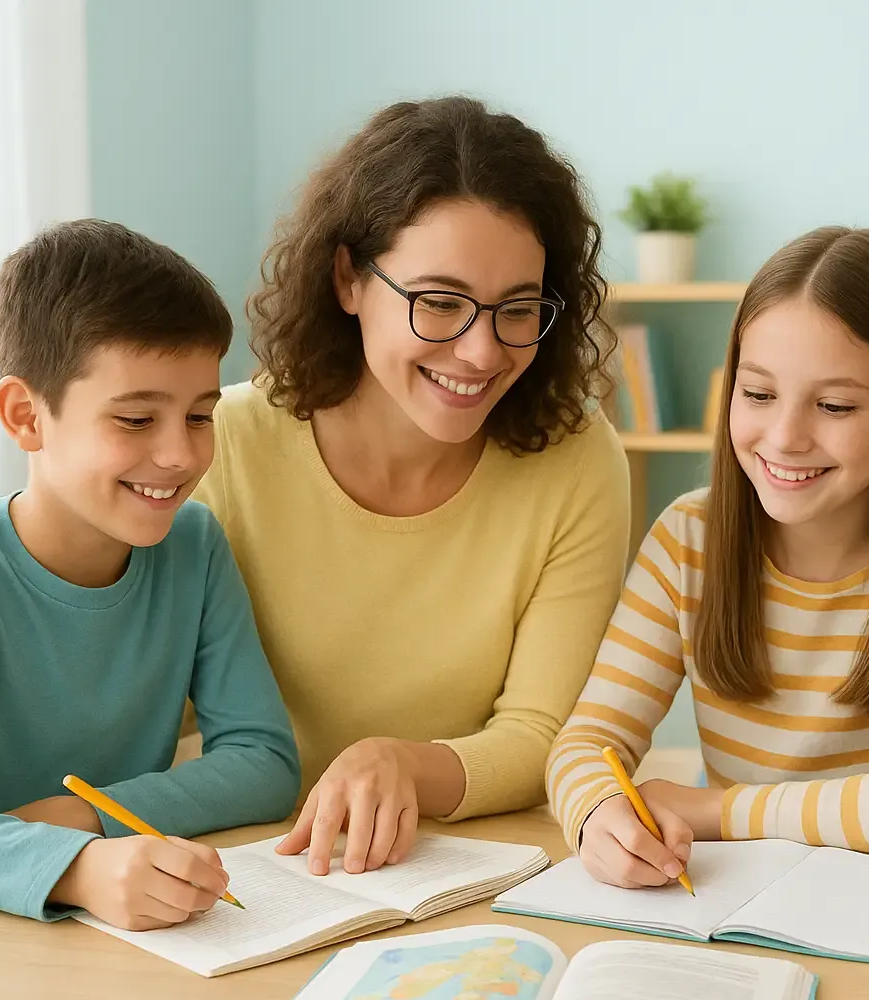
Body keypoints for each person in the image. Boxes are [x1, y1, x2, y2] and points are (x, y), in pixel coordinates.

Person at [192, 96, 630, 877]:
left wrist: (402, 765)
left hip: (469, 868)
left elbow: (542, 734)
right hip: (255, 862)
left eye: (518, 309)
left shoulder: (578, 460)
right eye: (439, 302)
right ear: (348, 279)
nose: (481, 350)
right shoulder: (223, 445)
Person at [545, 226, 869, 888]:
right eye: (758, 394)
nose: (786, 437)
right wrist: (598, 813)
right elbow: (585, 744)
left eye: (834, 405)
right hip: (739, 905)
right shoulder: (688, 538)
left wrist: (715, 810)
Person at [0, 220, 300, 928]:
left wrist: (86, 818)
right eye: (137, 419)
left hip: (134, 926)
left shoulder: (194, 545)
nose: (178, 455)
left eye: (201, 415)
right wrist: (74, 868)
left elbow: (265, 760)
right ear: (25, 416)